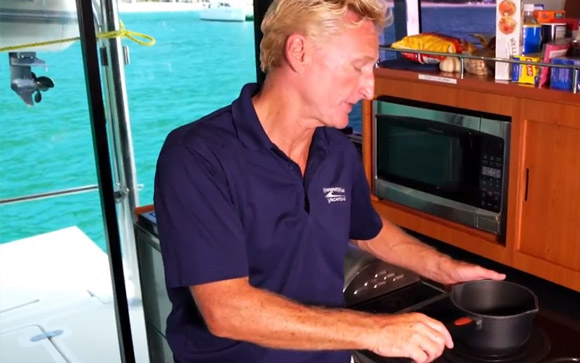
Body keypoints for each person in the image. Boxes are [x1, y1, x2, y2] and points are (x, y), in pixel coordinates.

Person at [153, 0, 506, 362]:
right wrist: (375, 330)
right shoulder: (197, 157)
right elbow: (227, 310)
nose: (369, 89)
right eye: (358, 68)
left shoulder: (335, 149)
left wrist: (445, 269)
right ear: (299, 51)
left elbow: (368, 231)